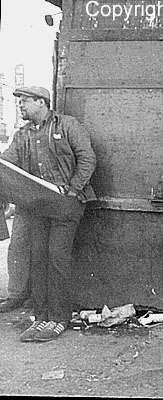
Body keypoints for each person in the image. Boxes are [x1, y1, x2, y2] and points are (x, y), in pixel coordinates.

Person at [0, 86, 96, 342]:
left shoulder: (67, 125)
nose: (20, 106)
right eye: (19, 102)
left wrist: (73, 190)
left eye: (25, 101)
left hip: (67, 204)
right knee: (38, 258)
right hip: (39, 206)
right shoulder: (23, 135)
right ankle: (42, 316)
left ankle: (59, 317)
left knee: (56, 258)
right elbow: (7, 164)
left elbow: (88, 159)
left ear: (41, 102)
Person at [0, 212, 31, 313]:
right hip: (24, 202)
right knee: (18, 244)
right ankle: (17, 294)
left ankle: (37, 295)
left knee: (42, 246)